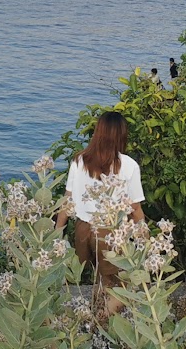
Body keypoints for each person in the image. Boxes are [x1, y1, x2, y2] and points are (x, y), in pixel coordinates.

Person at [55, 111, 145, 303]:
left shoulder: (79, 160)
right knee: (120, 286)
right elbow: (135, 208)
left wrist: (56, 235)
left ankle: (96, 316)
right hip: (109, 232)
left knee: (96, 279)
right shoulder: (129, 165)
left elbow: (67, 201)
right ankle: (103, 322)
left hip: (82, 230)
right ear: (121, 135)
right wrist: (146, 239)